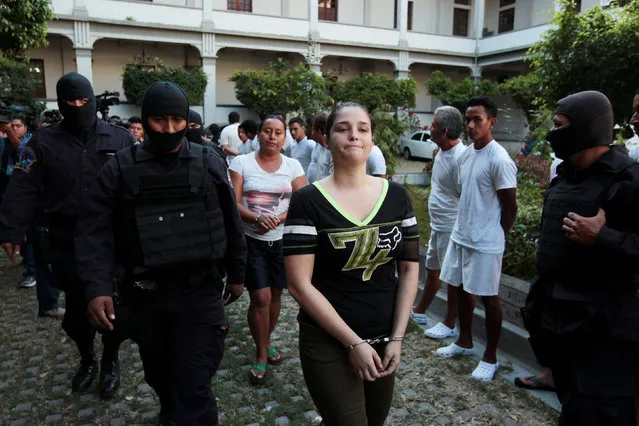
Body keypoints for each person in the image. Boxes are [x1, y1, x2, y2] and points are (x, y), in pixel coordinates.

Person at [76, 81, 247, 425]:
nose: (169, 129)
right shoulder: (119, 169)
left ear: (186, 120)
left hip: (200, 295)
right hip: (146, 298)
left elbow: (231, 219)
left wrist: (239, 274)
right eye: (159, 120)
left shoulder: (208, 162)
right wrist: (96, 289)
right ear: (145, 118)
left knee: (193, 383)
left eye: (176, 120)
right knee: (159, 375)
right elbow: (93, 232)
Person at [283, 102, 420, 425]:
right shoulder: (307, 201)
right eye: (343, 128)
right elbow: (298, 284)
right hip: (327, 339)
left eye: (362, 129)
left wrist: (397, 338)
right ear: (327, 140)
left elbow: (410, 268)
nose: (354, 135)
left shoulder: (397, 196)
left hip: (384, 337)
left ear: (372, 140)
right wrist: (353, 343)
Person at [0, 72, 134, 398]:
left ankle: (110, 359)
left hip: (113, 240)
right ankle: (87, 357)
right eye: (70, 102)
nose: (77, 106)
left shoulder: (120, 139)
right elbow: (22, 188)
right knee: (77, 314)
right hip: (67, 240)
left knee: (116, 307)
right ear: (60, 104)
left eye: (83, 101)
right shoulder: (41, 143)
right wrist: (11, 228)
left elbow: (139, 186)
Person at [522, 90, 639, 425]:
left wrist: (604, 237)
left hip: (603, 334)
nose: (551, 133)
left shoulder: (629, 179)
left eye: (559, 125)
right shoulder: (567, 176)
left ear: (585, 129)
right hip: (560, 328)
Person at [436, 96, 517, 383]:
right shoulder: (468, 154)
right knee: (458, 288)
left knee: (488, 298)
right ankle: (464, 341)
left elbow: (510, 207)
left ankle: (491, 356)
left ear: (491, 122)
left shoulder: (500, 159)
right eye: (467, 120)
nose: (470, 125)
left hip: (486, 241)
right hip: (462, 234)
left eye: (477, 120)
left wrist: (497, 237)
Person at [229, 115, 306, 384]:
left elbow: (302, 201)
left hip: (283, 242)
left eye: (278, 132)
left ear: (284, 137)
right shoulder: (241, 163)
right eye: (267, 131)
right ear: (258, 134)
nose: (272, 137)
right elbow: (233, 202)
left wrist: (277, 219)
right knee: (259, 297)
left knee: (275, 296)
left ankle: (267, 338)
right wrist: (256, 218)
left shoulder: (293, 166)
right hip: (252, 241)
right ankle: (261, 351)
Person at [411, 106, 466, 339]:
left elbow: (466, 196)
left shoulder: (461, 158)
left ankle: (449, 323)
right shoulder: (441, 151)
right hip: (438, 226)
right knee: (432, 269)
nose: (428, 128)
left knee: (453, 279)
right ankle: (420, 310)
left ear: (444, 131)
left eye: (432, 126)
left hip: (451, 228)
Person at [306, 113, 333, 184]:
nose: (312, 132)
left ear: (319, 131)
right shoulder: (318, 146)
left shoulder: (331, 150)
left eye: (313, 129)